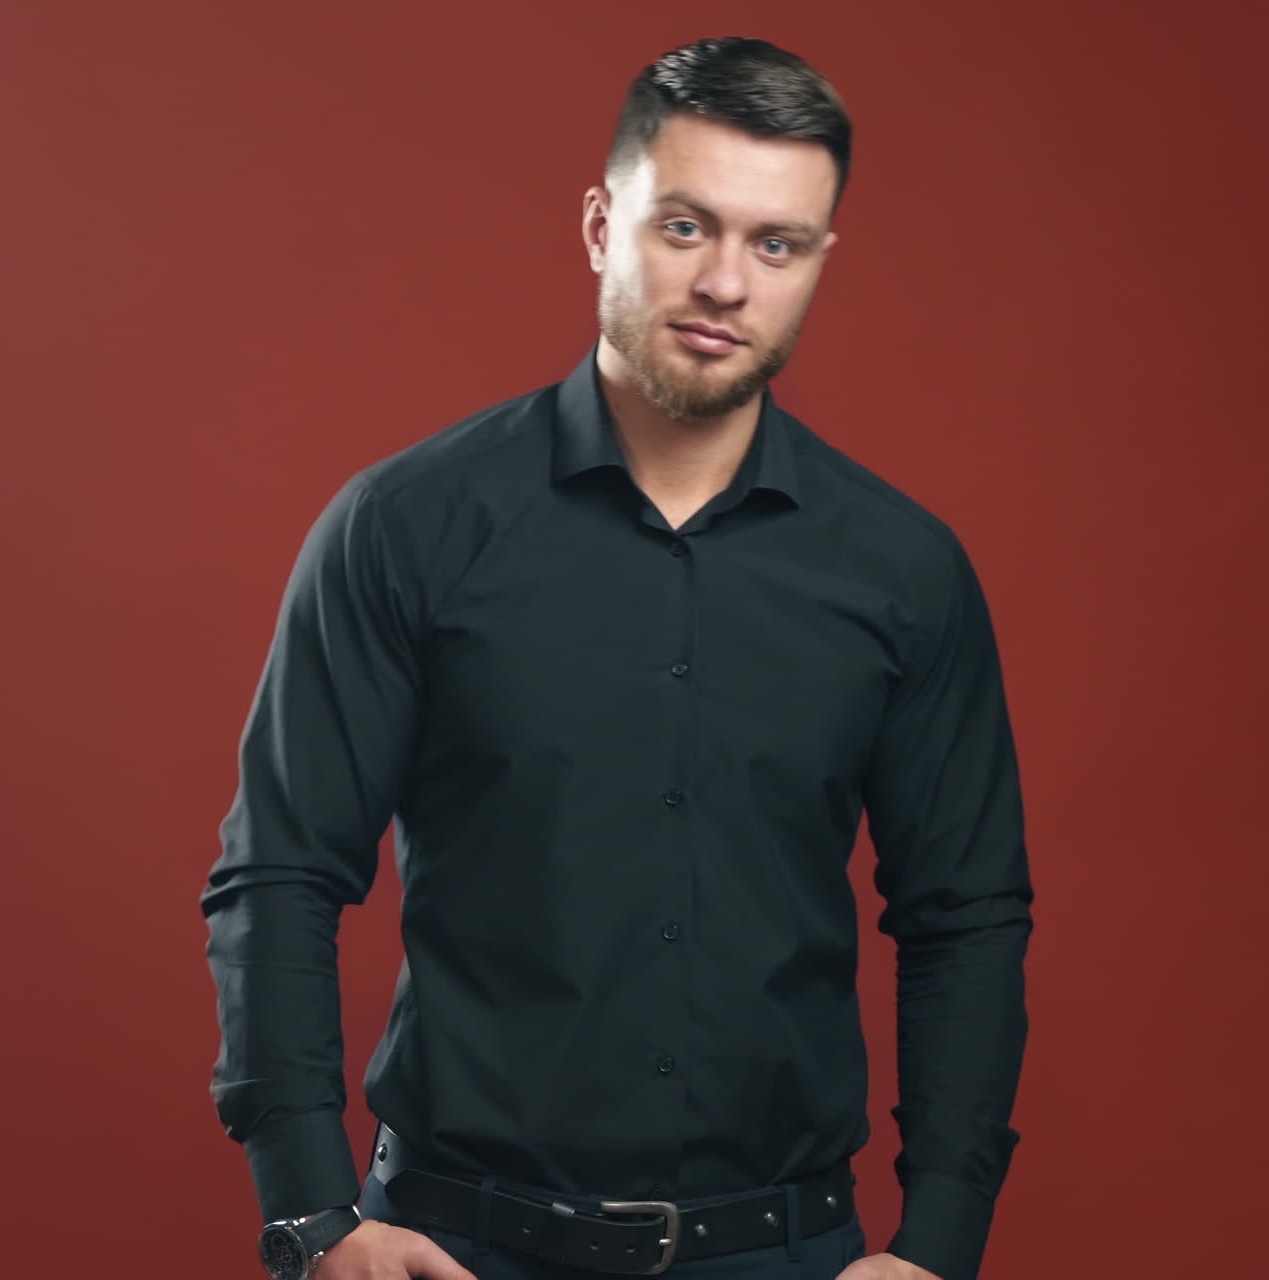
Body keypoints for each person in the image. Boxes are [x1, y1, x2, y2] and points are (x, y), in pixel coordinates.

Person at [202, 34, 1033, 1280]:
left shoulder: (905, 572)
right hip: (457, 1245)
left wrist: (939, 1244)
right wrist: (313, 1214)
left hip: (785, 1252)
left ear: (816, 263)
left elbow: (963, 914)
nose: (727, 285)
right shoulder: (403, 527)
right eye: (684, 226)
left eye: (776, 243)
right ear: (601, 223)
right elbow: (277, 871)